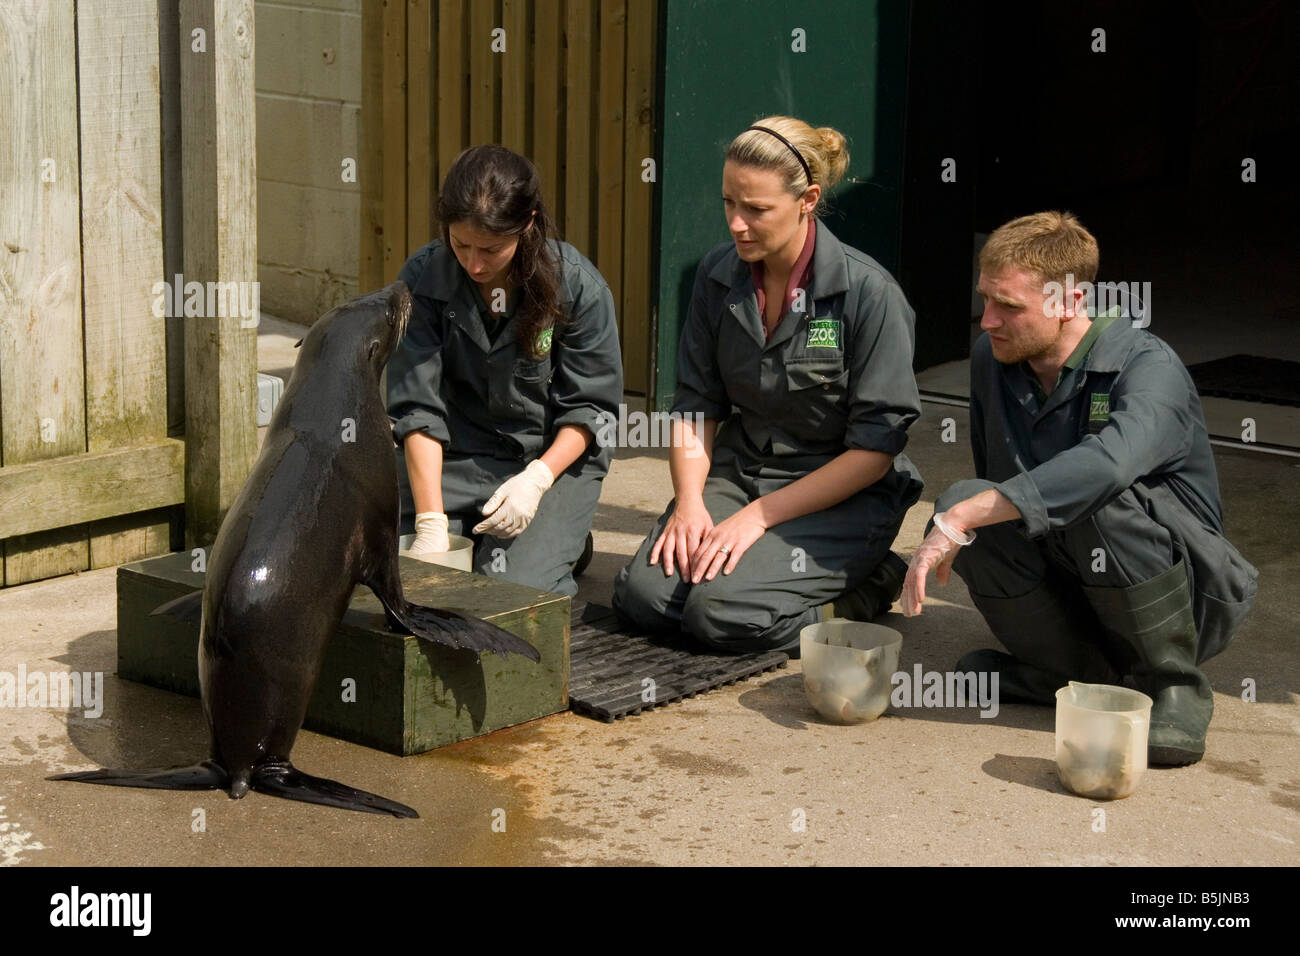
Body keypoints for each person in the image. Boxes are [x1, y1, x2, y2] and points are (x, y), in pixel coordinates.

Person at [902, 211, 1258, 766]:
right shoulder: (991, 358)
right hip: (1070, 573)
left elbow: (1110, 465)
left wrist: (974, 511)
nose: (987, 321)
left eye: (1009, 307)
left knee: (1091, 497)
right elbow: (995, 475)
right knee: (960, 506)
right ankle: (1070, 673)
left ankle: (1169, 685)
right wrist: (964, 514)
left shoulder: (1146, 366)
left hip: (1180, 593)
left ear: (1070, 302)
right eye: (985, 300)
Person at [612, 116, 924, 655]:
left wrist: (755, 520)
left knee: (721, 616)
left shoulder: (869, 294)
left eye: (756, 209)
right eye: (729, 203)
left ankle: (869, 584)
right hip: (743, 468)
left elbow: (874, 452)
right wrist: (689, 503)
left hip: (840, 493)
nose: (737, 223)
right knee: (644, 599)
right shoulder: (715, 275)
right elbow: (695, 407)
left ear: (808, 199)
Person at [387, 145, 623, 597]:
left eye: (491, 249)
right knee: (408, 577)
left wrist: (537, 480)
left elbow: (590, 409)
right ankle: (466, 524)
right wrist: (430, 522)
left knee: (509, 593)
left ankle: (558, 535)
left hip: (547, 460)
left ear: (527, 224)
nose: (474, 264)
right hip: (451, 457)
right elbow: (415, 406)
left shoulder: (578, 286)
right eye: (461, 245)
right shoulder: (422, 277)